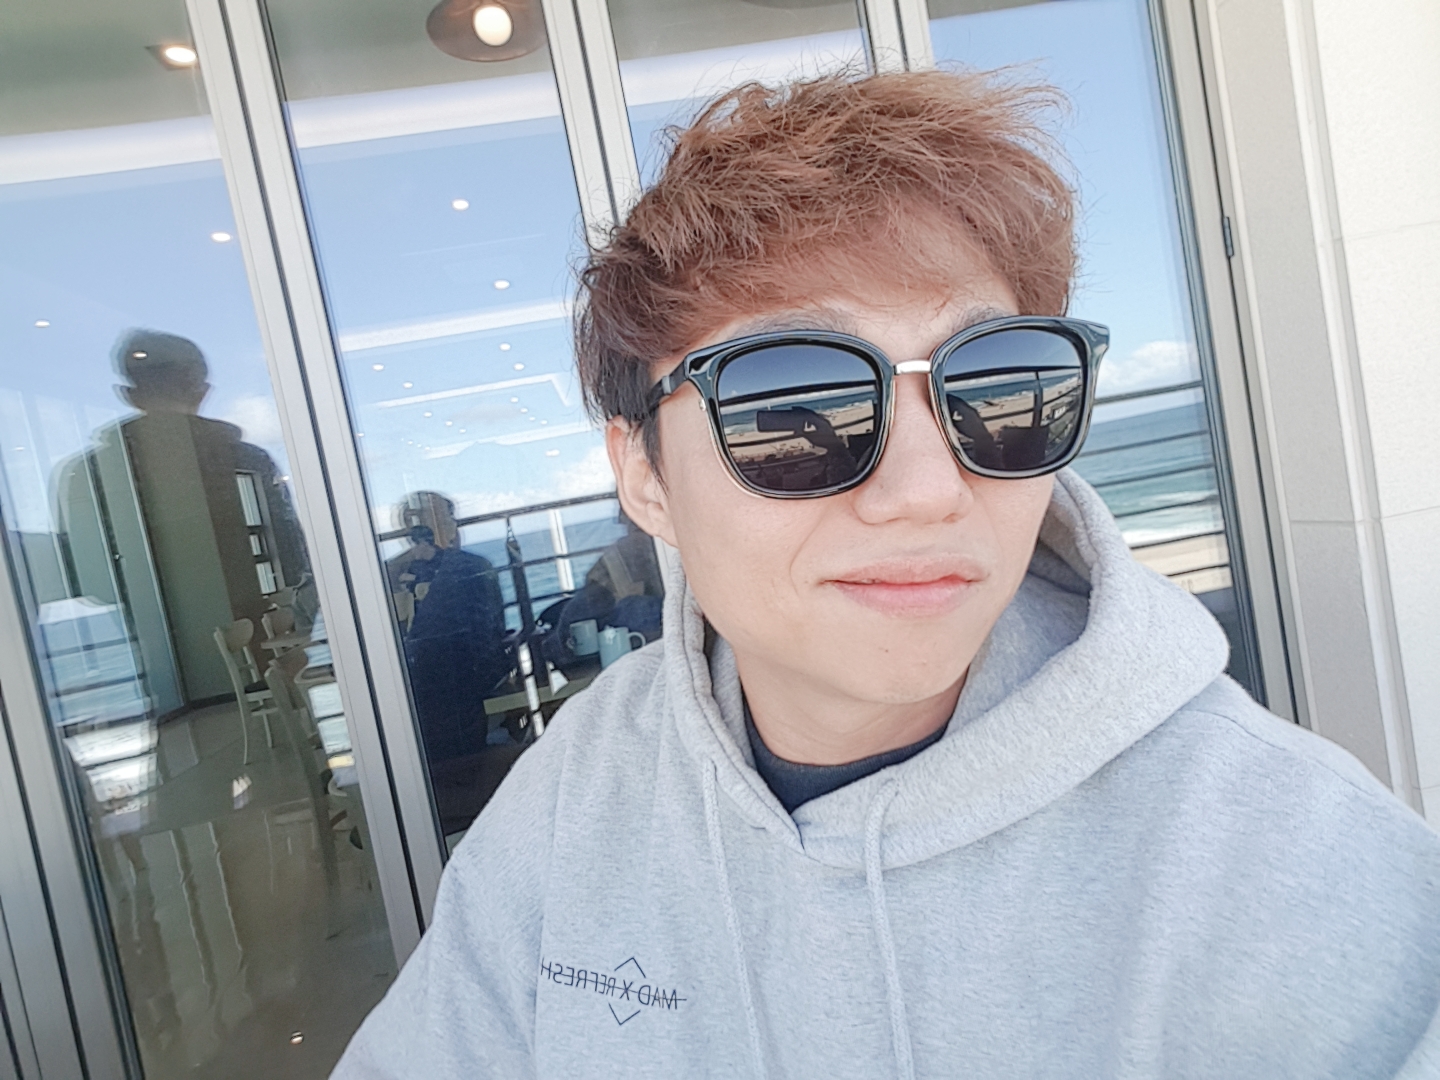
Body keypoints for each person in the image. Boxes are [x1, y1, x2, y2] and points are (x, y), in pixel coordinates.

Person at [333, 71, 1440, 1078]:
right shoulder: (582, 793)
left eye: (997, 386)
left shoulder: (1289, 864)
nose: (928, 488)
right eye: (790, 404)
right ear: (645, 478)